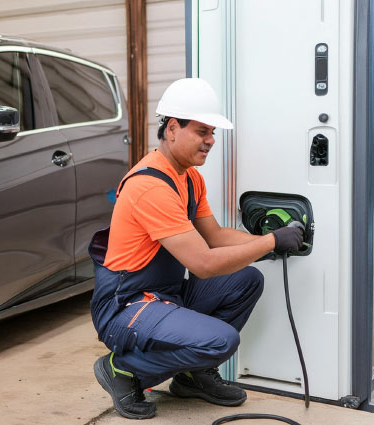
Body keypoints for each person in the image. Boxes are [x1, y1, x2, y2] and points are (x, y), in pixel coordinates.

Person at [89, 78, 305, 419]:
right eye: (203, 131)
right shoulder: (150, 186)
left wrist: (275, 239)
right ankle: (124, 370)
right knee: (221, 341)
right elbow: (203, 263)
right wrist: (270, 242)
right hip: (126, 306)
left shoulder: (189, 178)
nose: (211, 140)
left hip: (165, 295)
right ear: (173, 128)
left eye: (213, 132)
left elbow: (216, 237)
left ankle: (192, 376)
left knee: (246, 280)